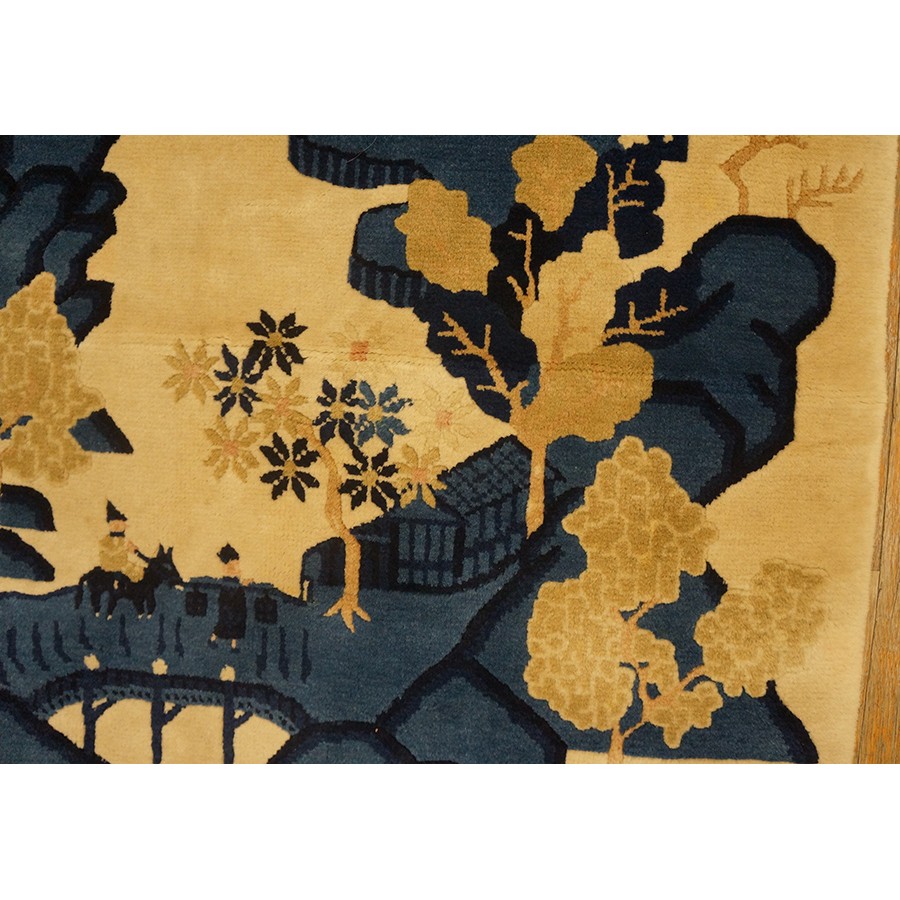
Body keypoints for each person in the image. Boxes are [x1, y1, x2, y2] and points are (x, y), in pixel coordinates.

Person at [98, 502, 148, 616]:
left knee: (139, 573)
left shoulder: (124, 540)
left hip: (123, 564)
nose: (117, 526)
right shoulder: (105, 541)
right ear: (109, 524)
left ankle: (139, 605)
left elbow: (134, 551)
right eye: (113, 523)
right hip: (110, 565)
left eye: (120, 523)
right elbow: (108, 552)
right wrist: (122, 549)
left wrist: (137, 553)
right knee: (124, 572)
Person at [210, 544, 247, 651]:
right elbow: (233, 581)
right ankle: (215, 640)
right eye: (235, 561)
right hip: (231, 596)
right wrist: (242, 581)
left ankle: (232, 645)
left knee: (235, 619)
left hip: (234, 596)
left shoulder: (231, 569)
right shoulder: (228, 569)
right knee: (227, 619)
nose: (237, 562)